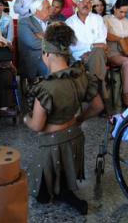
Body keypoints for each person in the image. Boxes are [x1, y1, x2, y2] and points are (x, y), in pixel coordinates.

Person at [24, 22, 104, 215]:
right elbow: (98, 106)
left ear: (47, 54)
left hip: (51, 146)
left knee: (41, 198)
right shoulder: (82, 76)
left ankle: (62, 191)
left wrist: (26, 118)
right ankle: (66, 189)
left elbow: (37, 125)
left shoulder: (46, 87)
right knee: (59, 186)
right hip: (75, 139)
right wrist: (80, 119)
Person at [66, 0, 108, 90]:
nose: (86, 4)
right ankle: (99, 91)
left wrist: (90, 51)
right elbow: (71, 45)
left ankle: (92, 92)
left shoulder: (98, 19)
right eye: (82, 1)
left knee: (97, 53)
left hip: (97, 54)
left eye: (89, 1)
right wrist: (91, 46)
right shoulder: (69, 22)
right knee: (97, 55)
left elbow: (102, 42)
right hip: (78, 58)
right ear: (77, 3)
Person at [18, 0, 51, 81]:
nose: (51, 9)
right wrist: (52, 41)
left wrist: (43, 37)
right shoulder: (25, 22)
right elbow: (33, 44)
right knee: (52, 71)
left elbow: (61, 41)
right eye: (48, 7)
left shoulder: (53, 22)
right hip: (35, 60)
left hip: (53, 58)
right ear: (37, 11)